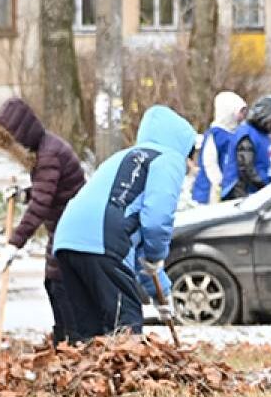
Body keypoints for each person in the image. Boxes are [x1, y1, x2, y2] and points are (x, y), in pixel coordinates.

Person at [52, 105, 196, 341]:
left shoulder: (123, 157)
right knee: (125, 330)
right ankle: (123, 377)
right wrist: (156, 255)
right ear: (184, 147)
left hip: (68, 240)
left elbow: (134, 244)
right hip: (103, 238)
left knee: (89, 335)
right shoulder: (169, 158)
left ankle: (89, 378)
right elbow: (157, 221)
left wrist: (162, 294)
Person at [0, 97, 86, 343]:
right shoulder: (46, 148)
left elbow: (41, 204)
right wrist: (23, 194)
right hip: (64, 230)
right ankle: (65, 344)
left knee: (60, 288)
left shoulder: (48, 155)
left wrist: (13, 244)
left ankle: (71, 346)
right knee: (53, 284)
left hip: (70, 233)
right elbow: (47, 191)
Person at [221, 95, 271, 201]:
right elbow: (246, 168)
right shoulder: (247, 134)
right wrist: (264, 187)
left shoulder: (262, 134)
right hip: (241, 193)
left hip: (257, 190)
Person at [190, 91, 247, 205]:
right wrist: (219, 182)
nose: (243, 116)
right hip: (211, 190)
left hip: (228, 187)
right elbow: (209, 162)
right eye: (240, 111)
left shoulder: (236, 133)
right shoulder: (215, 134)